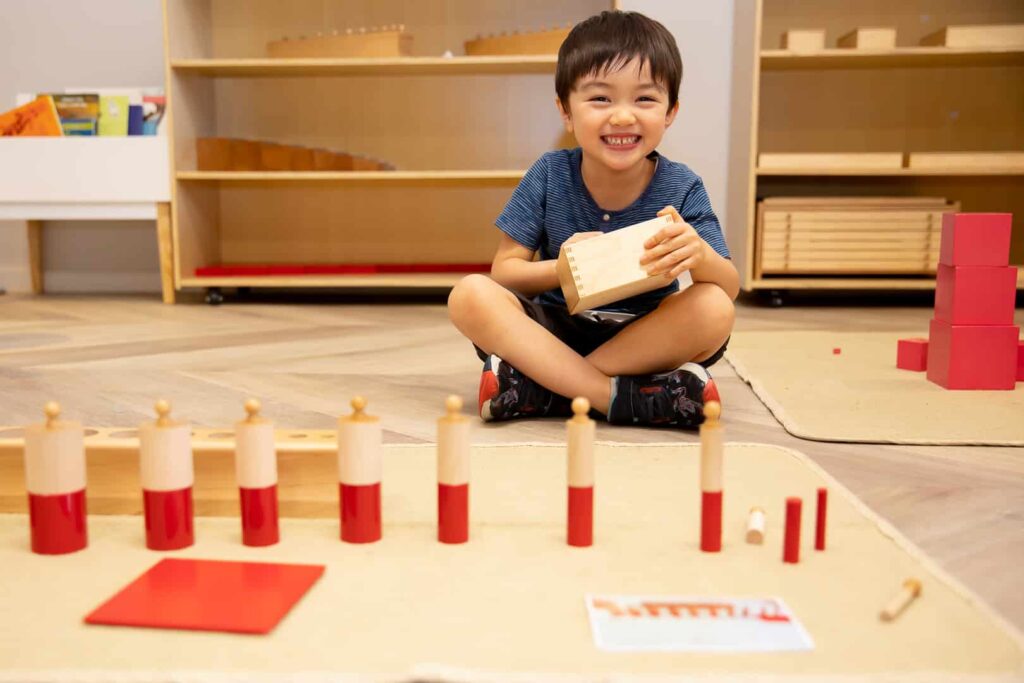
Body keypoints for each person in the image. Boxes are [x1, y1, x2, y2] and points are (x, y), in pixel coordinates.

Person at [447, 10, 738, 428]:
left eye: (645, 99)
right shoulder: (549, 173)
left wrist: (701, 255)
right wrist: (560, 269)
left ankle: (546, 387)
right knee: (469, 294)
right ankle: (618, 397)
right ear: (566, 111)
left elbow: (729, 287)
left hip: (643, 338)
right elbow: (504, 273)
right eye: (601, 99)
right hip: (554, 330)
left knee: (714, 307)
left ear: (670, 111)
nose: (622, 116)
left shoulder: (682, 184)